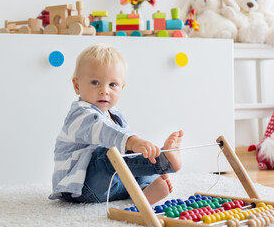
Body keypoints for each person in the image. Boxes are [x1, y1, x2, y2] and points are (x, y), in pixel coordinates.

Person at [49, 43, 183, 204]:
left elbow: (127, 154)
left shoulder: (116, 116)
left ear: (121, 87)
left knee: (134, 159)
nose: (104, 90)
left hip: (112, 186)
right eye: (95, 82)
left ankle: (144, 190)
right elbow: (104, 131)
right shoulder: (80, 115)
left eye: (112, 84)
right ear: (77, 85)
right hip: (80, 188)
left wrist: (140, 152)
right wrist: (133, 141)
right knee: (109, 153)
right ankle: (164, 161)